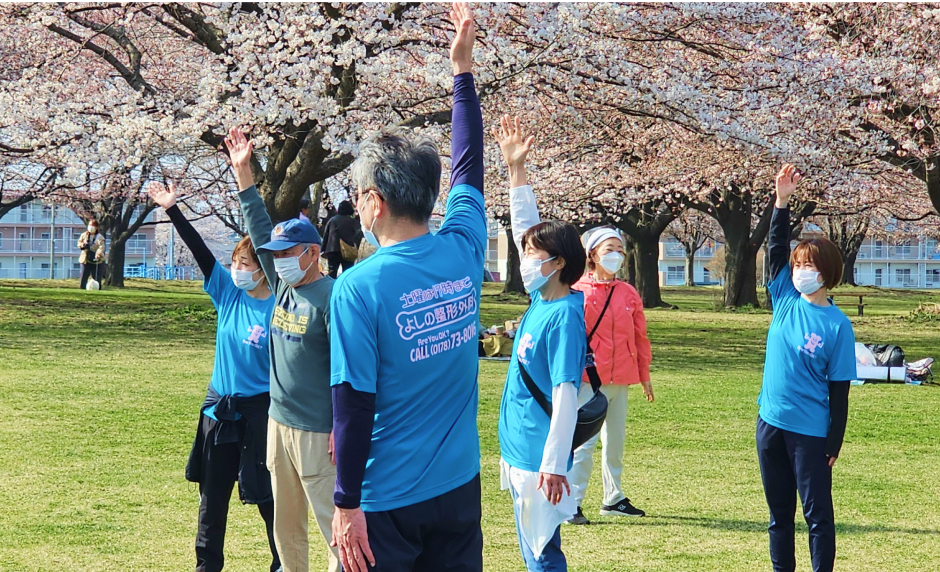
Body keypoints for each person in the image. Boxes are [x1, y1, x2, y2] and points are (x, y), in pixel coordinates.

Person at [329, 4, 485, 571]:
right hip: (459, 487)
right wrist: (461, 73)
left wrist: (346, 503)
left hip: (387, 499)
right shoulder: (464, 249)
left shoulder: (360, 288)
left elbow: (352, 403)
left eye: (356, 193)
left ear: (376, 202)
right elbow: (469, 167)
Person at [147, 182, 280, 572]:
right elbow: (201, 253)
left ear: (263, 270)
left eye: (246, 264)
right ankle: (207, 565)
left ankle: (282, 562)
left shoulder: (280, 305)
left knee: (267, 495)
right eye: (236, 262)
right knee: (213, 495)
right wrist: (172, 210)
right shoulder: (227, 292)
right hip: (219, 408)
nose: (238, 269)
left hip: (260, 412)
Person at [224, 129, 340, 572]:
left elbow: (349, 367)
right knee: (286, 528)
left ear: (312, 253)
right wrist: (244, 177)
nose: (279, 260)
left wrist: (340, 424)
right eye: (275, 254)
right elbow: (256, 224)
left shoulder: (332, 297)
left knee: (334, 529)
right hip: (279, 423)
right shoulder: (282, 286)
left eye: (288, 252)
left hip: (318, 430)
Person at [494, 114, 588, 571]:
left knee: (541, 553)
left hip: (538, 457)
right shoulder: (541, 297)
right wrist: (516, 171)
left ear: (558, 263)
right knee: (532, 549)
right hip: (518, 449)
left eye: (534, 255)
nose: (525, 258)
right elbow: (523, 227)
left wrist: (554, 464)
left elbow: (566, 394)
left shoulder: (566, 316)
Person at [757, 163, 856, 572]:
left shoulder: (838, 325)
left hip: (810, 434)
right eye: (797, 265)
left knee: (818, 516)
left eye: (808, 266)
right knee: (779, 514)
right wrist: (781, 202)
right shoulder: (784, 298)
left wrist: (833, 442)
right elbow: (775, 247)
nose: (800, 272)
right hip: (770, 423)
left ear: (827, 273)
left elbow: (840, 390)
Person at [566, 226, 654, 525]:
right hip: (590, 379)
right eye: (608, 249)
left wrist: (644, 375)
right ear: (592, 254)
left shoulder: (627, 292)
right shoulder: (577, 290)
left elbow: (639, 337)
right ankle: (571, 503)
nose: (615, 255)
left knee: (615, 441)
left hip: (622, 378)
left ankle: (613, 498)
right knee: (584, 444)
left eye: (619, 249)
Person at [320, 200, 361, 278]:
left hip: (332, 250)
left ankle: (331, 289)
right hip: (347, 250)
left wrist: (323, 249)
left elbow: (326, 235)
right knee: (347, 273)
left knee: (332, 273)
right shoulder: (352, 221)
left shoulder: (332, 220)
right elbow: (357, 235)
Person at [77, 219, 105, 289]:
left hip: (96, 260)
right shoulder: (84, 235)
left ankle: (97, 290)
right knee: (83, 276)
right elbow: (79, 243)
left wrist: (98, 253)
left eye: (92, 225)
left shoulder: (100, 237)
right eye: (89, 225)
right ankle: (82, 289)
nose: (90, 227)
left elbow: (101, 247)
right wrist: (82, 245)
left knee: (96, 278)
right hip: (85, 259)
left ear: (96, 227)